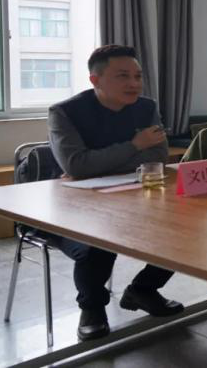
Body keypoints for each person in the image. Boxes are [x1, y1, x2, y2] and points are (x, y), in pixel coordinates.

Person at [48, 45, 183, 341]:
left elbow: (158, 157)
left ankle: (143, 290)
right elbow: (76, 165)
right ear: (95, 80)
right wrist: (135, 145)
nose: (134, 83)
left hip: (133, 196)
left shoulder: (146, 107)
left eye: (138, 76)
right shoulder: (65, 112)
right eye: (123, 76)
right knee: (98, 242)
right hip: (73, 204)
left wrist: (95, 165)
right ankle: (92, 308)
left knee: (184, 229)